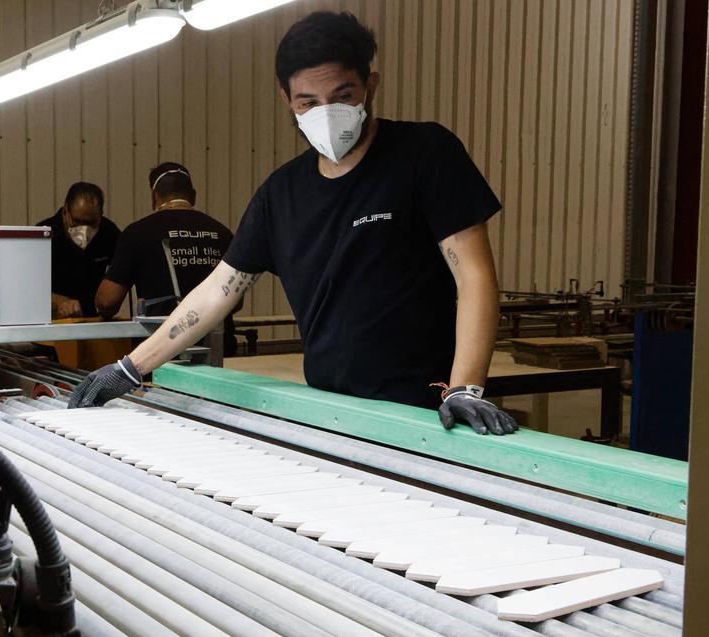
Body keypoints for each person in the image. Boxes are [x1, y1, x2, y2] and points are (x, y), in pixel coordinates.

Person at [69, 11, 517, 436]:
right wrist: (131, 367)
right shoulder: (279, 195)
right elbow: (217, 291)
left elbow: (474, 274)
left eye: (343, 96)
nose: (327, 113)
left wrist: (464, 388)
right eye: (309, 102)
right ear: (287, 100)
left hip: (427, 416)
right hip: (330, 413)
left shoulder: (425, 154)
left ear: (371, 84)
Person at [94, 162, 238, 355]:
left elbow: (107, 302)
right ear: (193, 195)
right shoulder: (223, 234)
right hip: (219, 351)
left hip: (161, 355)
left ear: (154, 196)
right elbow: (236, 299)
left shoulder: (138, 233)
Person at [40, 182, 120, 319]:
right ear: (65, 212)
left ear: (101, 215)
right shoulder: (44, 235)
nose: (84, 229)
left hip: (93, 318)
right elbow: (28, 288)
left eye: (91, 223)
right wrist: (59, 302)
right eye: (77, 221)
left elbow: (123, 274)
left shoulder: (109, 234)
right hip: (52, 320)